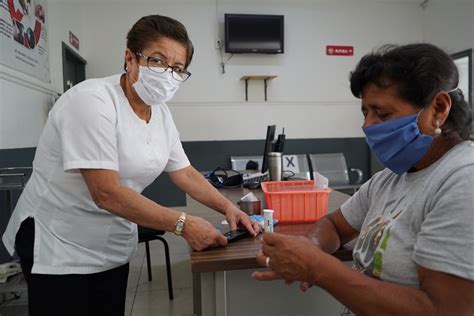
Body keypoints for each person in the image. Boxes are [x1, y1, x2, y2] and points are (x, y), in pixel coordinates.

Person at [2, 15, 259, 316]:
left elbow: (185, 173)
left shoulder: (160, 113)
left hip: (109, 245)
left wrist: (229, 209)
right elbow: (106, 193)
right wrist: (182, 224)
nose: (168, 74)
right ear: (130, 58)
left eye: (177, 69)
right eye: (158, 61)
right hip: (58, 242)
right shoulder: (91, 101)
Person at [252, 43, 474, 315]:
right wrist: (312, 246)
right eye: (365, 112)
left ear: (438, 109)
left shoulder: (462, 180)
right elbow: (334, 224)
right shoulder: (390, 179)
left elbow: (444, 310)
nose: (368, 126)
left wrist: (317, 267)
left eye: (382, 114)